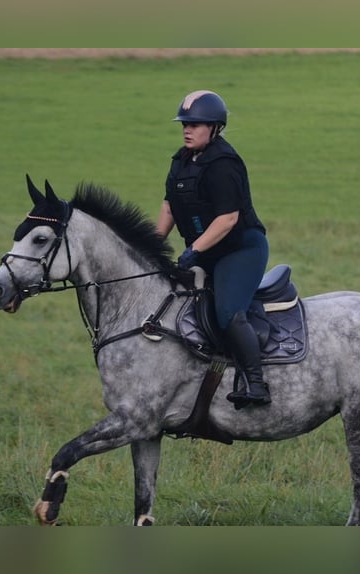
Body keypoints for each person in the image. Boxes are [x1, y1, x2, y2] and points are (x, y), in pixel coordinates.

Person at [156, 90, 271, 408]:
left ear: (215, 127)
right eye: (184, 124)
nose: (187, 130)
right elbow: (169, 207)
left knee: (227, 314)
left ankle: (257, 384)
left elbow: (228, 219)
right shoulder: (180, 161)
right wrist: (150, 247)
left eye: (196, 124)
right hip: (207, 251)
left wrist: (194, 250)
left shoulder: (224, 164)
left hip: (240, 250)